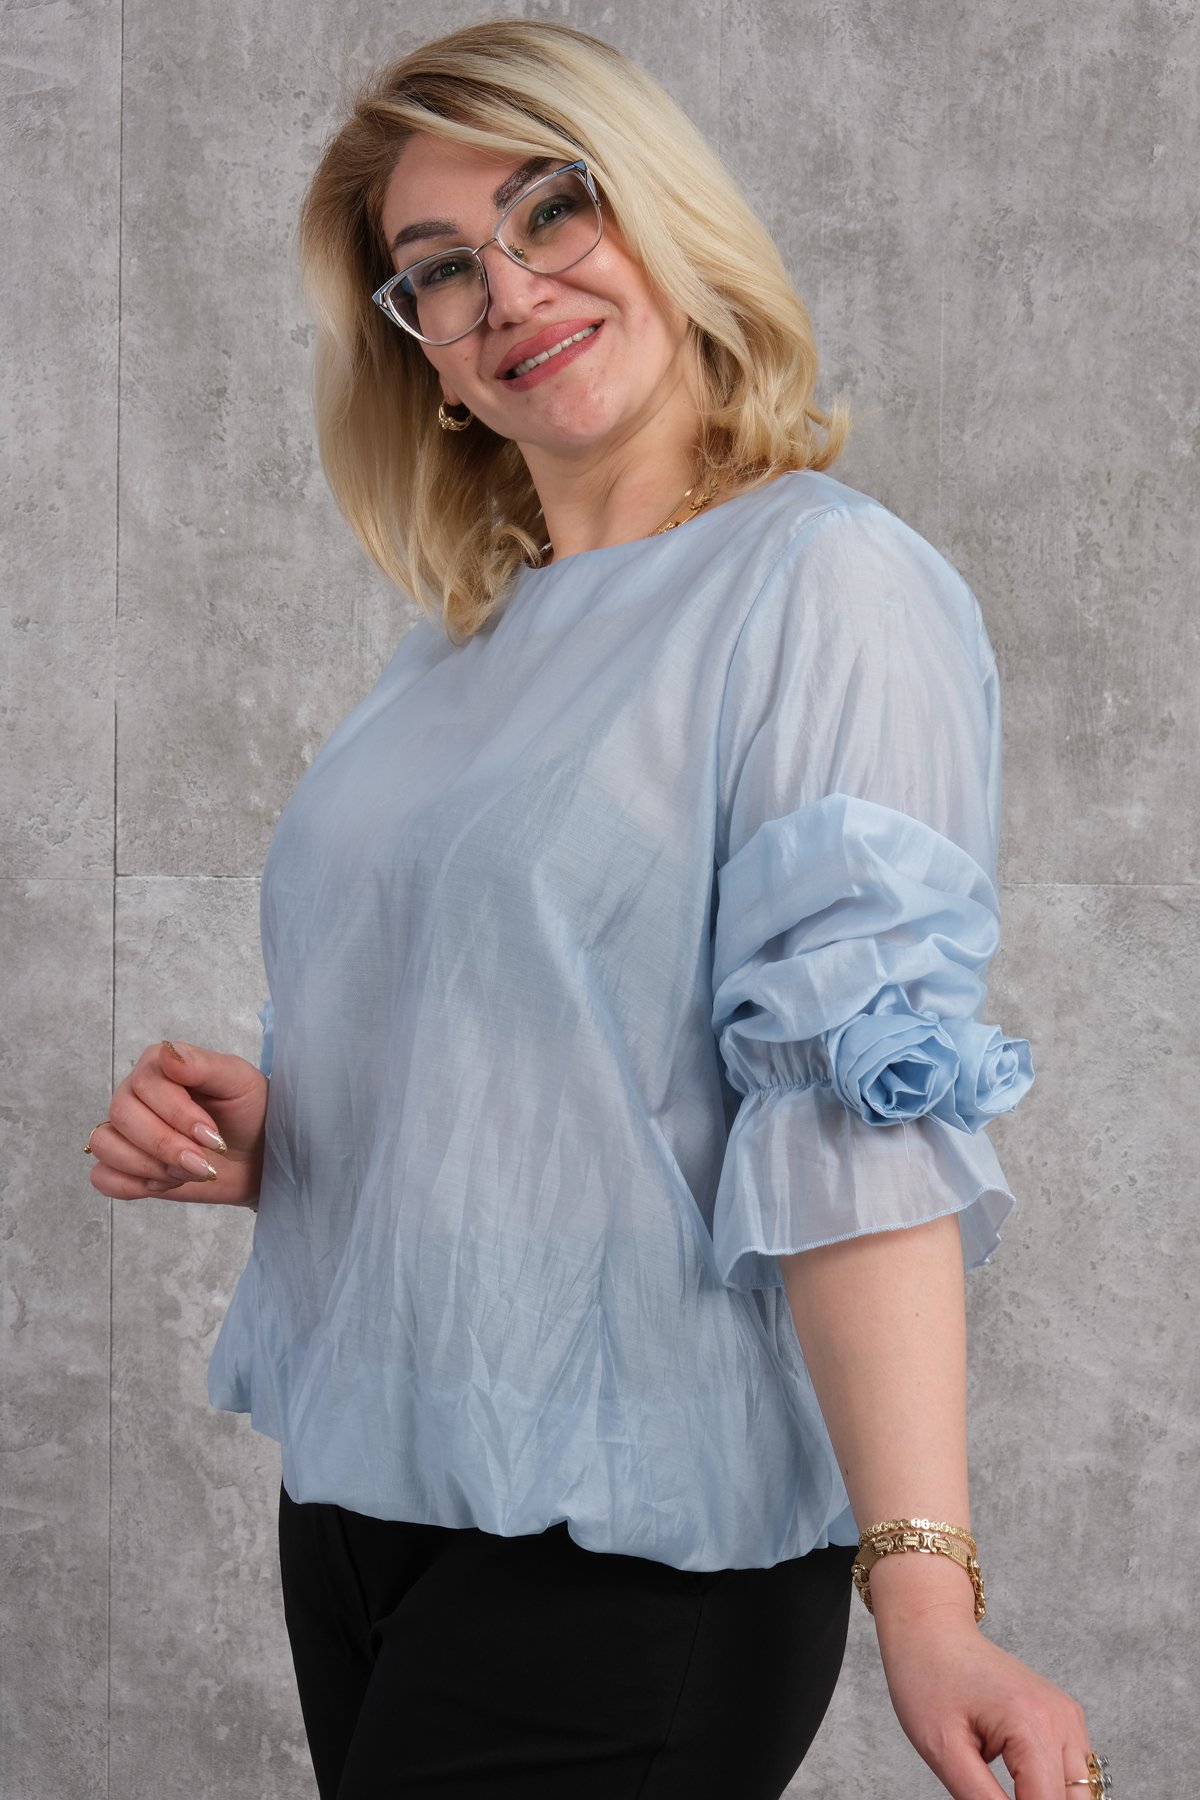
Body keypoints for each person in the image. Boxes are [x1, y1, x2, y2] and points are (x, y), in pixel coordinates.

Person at [85, 19, 1110, 1800]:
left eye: (552, 210)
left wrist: (925, 1594)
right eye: (438, 270)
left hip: (631, 1551)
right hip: (366, 1517)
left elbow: (853, 1105)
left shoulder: (823, 582)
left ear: (665, 216)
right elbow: (555, 1051)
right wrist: (294, 1138)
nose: (507, 290)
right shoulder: (455, 645)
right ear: (420, 354)